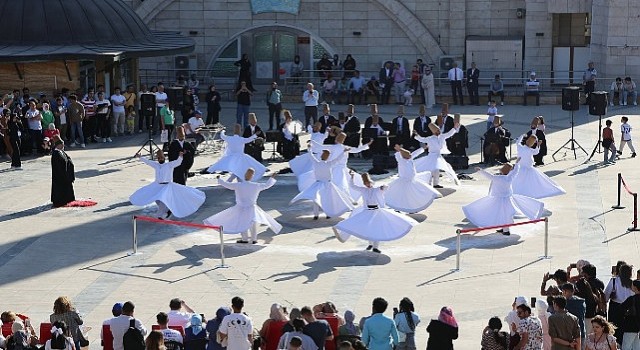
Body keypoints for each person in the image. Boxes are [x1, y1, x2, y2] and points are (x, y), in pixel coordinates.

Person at [333, 171, 418, 253]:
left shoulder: (376, 189)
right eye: (366, 183)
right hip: (367, 211)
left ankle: (375, 247)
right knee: (368, 228)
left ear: (371, 182)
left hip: (376, 212)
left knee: (377, 228)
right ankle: (370, 244)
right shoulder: (363, 190)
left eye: (368, 183)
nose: (368, 184)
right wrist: (352, 177)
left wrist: (383, 186)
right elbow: (352, 186)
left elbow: (385, 188)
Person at [462, 163, 544, 235]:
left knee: (502, 214)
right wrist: (517, 165)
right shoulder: (509, 177)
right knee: (505, 214)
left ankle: (506, 230)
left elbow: (489, 176)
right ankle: (503, 228)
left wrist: (480, 170)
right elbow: (515, 172)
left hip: (499, 200)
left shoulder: (498, 178)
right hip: (508, 199)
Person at [204, 169, 282, 244]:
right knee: (252, 223)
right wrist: (272, 178)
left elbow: (226, 184)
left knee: (242, 222)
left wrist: (219, 179)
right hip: (251, 207)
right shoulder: (256, 186)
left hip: (241, 207)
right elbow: (267, 185)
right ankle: (253, 239)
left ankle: (245, 239)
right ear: (252, 176)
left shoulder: (239, 185)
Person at [130, 149, 206, 219]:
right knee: (157, 199)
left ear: (164, 158)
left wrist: (180, 156)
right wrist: (140, 157)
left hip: (167, 186)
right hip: (157, 185)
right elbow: (148, 162)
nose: (160, 159)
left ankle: (160, 214)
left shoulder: (169, 165)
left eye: (161, 158)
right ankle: (165, 211)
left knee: (162, 198)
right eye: (159, 158)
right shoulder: (156, 165)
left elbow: (178, 162)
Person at [290, 148, 354, 220]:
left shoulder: (316, 163)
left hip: (318, 183)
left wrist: (310, 148)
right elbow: (338, 159)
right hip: (327, 184)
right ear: (328, 157)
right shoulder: (329, 164)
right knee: (327, 200)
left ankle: (316, 214)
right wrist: (344, 152)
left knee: (316, 199)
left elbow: (311, 155)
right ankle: (327, 213)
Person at [385, 145, 441, 213]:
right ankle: (400, 208)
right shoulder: (401, 160)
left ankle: (410, 208)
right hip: (404, 182)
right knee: (402, 196)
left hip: (412, 180)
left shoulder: (409, 158)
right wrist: (399, 150)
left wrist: (423, 148)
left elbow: (415, 153)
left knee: (411, 195)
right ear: (404, 156)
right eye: (408, 155)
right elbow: (399, 155)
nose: (410, 156)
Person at [511, 134, 566, 199]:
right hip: (528, 169)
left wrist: (522, 136)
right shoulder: (530, 150)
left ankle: (519, 193)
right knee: (532, 183)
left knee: (519, 182)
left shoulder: (520, 147)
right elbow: (536, 152)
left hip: (520, 169)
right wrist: (537, 145)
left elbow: (518, 142)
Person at [414, 122, 460, 188]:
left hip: (438, 156)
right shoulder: (430, 138)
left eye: (439, 130)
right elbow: (422, 139)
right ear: (434, 132)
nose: (439, 131)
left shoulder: (442, 137)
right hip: (431, 156)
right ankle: (429, 183)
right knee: (430, 170)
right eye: (437, 130)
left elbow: (449, 134)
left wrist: (455, 128)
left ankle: (436, 184)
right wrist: (417, 135)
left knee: (438, 170)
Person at [605, 263, 635, 345]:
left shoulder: (614, 281)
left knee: (614, 331)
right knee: (625, 332)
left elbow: (606, 296)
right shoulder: (633, 283)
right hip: (629, 309)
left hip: (615, 309)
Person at [50, 135, 76, 207]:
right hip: (60, 176)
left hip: (65, 175)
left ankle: (68, 199)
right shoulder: (56, 154)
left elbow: (68, 159)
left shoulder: (61, 152)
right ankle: (61, 200)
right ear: (58, 145)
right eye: (62, 144)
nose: (63, 145)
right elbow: (59, 166)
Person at [619, 279, 640, 350]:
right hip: (638, 327)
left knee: (626, 346)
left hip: (631, 325)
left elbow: (621, 308)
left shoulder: (632, 299)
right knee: (637, 347)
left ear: (635, 288)